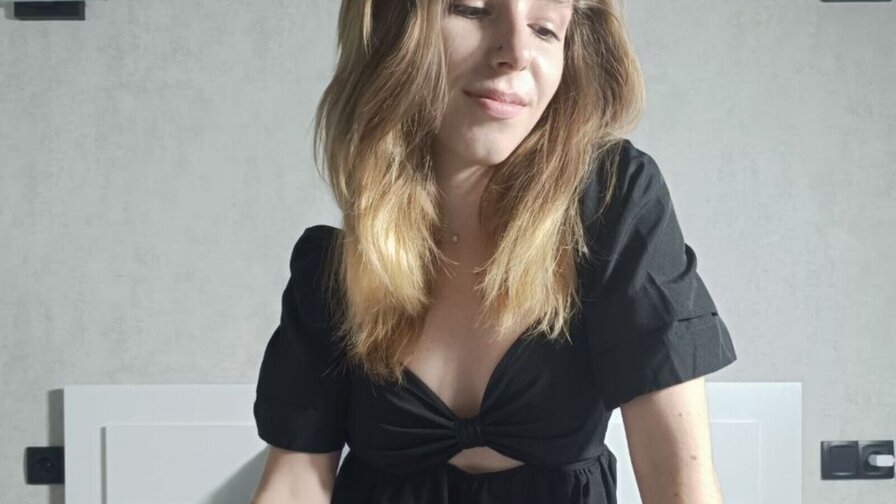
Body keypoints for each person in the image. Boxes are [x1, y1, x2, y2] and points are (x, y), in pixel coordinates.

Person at [251, 1, 737, 503]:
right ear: (395, 26)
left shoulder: (614, 204)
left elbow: (682, 489)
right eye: (473, 9)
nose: (516, 52)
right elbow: (294, 486)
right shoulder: (334, 269)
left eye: (544, 29)